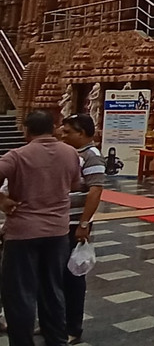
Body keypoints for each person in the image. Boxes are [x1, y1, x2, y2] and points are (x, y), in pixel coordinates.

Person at [0, 110, 82, 346]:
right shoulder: (70, 153)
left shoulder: (17, 155)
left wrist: (3, 200)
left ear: (27, 130)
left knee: (20, 294)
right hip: (57, 232)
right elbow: (75, 183)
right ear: (54, 127)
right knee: (53, 289)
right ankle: (56, 340)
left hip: (22, 233)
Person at [59, 114, 105, 344]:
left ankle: (72, 328)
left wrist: (84, 223)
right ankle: (55, 322)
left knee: (72, 277)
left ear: (83, 133)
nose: (62, 134)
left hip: (75, 224)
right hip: (58, 222)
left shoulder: (91, 155)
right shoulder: (69, 153)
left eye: (68, 131)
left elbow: (95, 190)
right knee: (54, 275)